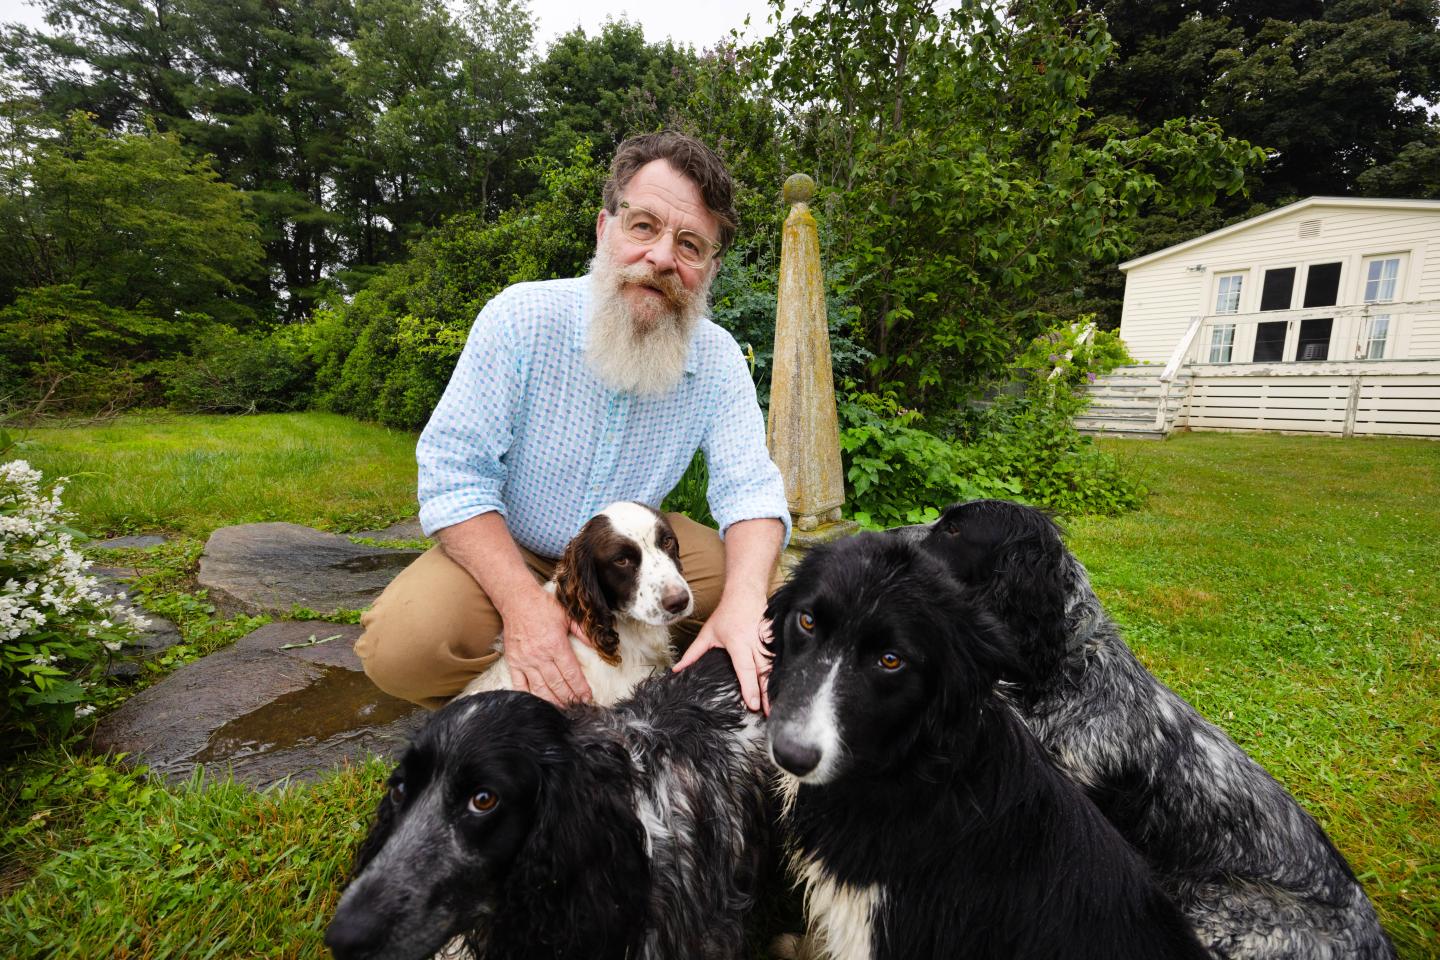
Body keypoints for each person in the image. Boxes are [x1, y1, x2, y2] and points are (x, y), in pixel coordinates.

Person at [355, 131, 790, 715]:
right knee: (402, 645)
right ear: (603, 228)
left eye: (690, 245)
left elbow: (752, 492)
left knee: (766, 594)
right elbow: (453, 475)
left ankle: (668, 697)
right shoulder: (521, 318)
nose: (662, 257)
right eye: (644, 226)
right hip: (514, 548)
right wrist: (525, 607)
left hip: (641, 549)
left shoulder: (716, 357)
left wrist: (741, 602)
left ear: (708, 267)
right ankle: (501, 710)